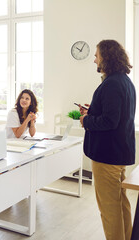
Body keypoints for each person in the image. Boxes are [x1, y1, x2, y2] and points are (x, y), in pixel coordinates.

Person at [79, 40, 135, 240]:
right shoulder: (125, 81)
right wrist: (92, 111)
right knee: (121, 204)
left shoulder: (111, 83)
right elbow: (116, 117)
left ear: (106, 57)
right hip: (119, 153)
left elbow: (110, 121)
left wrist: (86, 120)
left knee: (109, 211)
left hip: (107, 155)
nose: (94, 59)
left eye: (97, 55)